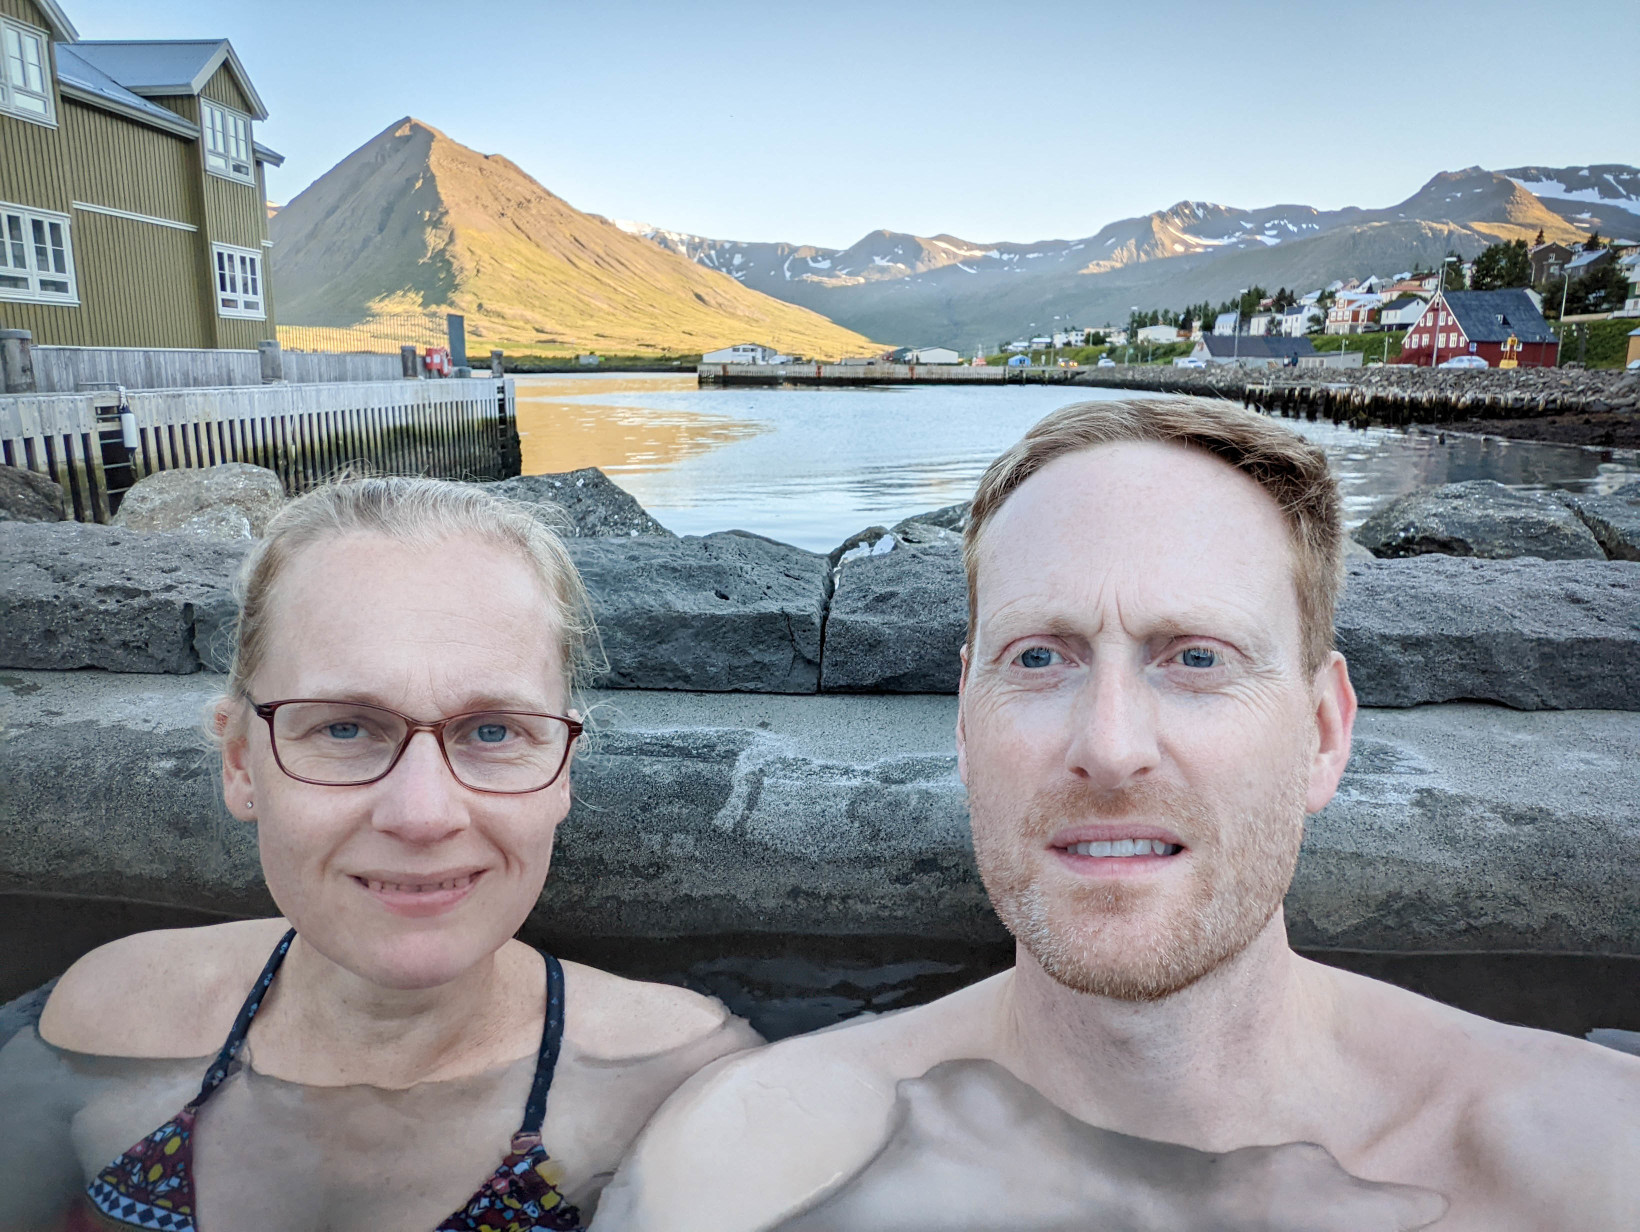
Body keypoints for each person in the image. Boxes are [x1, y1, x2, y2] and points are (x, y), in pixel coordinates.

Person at [595, 399, 1640, 1231]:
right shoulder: (745, 1160)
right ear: (963, 726)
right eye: (1037, 658)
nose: (1109, 744)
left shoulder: (1595, 1161)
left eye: (1196, 657)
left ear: (1323, 733)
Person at [0, 477, 759, 1231]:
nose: (422, 815)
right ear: (241, 764)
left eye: (493, 731)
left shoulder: (683, 1085)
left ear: (561, 769)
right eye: (345, 728)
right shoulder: (109, 1015)